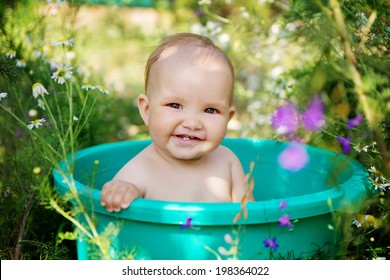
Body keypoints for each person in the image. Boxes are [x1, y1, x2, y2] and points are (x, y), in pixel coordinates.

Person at [100, 33, 254, 212]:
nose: (192, 123)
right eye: (175, 105)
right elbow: (117, 207)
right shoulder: (140, 170)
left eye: (210, 110)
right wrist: (121, 191)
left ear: (228, 117)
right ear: (147, 110)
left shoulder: (227, 161)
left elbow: (250, 218)